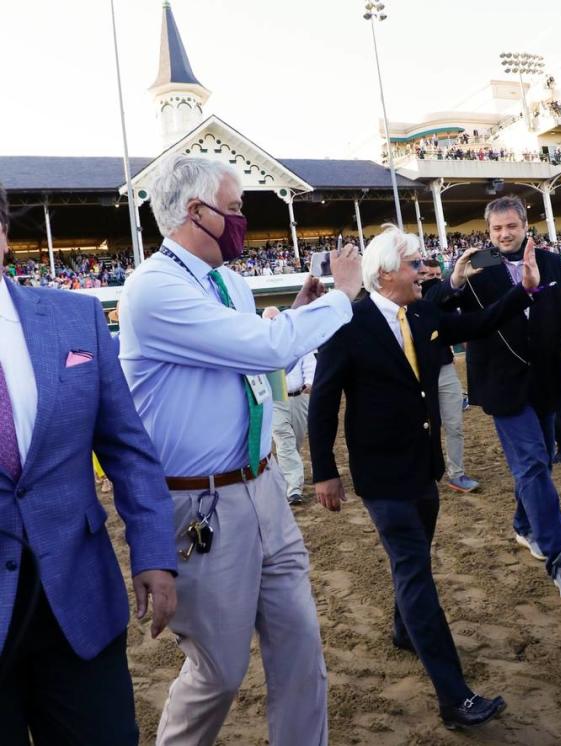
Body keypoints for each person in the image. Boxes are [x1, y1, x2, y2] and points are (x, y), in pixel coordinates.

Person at [119, 156, 362, 746]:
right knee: (220, 671)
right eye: (232, 210)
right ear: (195, 213)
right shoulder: (152, 289)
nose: (241, 221)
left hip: (264, 487)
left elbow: (247, 358)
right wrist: (343, 296)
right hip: (202, 506)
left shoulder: (226, 281)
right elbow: (267, 351)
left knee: (302, 649)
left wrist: (303, 311)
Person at [309, 225, 538, 729]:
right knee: (415, 570)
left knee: (412, 563)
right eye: (415, 265)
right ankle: (454, 698)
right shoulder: (348, 322)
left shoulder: (423, 311)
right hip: (380, 472)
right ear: (386, 273)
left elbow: (478, 324)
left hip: (423, 468)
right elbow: (323, 402)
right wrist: (324, 472)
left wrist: (524, 291)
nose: (425, 271)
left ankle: (402, 630)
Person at [0, 180, 177, 744]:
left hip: (79, 601)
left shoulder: (77, 319)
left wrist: (153, 551)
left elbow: (127, 449)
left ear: (3, 234)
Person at [426, 195, 561, 600]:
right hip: (503, 386)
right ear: (487, 232)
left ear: (526, 224)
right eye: (496, 229)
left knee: (540, 463)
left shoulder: (551, 262)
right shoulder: (477, 267)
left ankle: (525, 526)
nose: (504, 234)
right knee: (531, 466)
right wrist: (453, 282)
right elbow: (436, 310)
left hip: (547, 382)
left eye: (511, 226)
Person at [419, 258, 480, 493]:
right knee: (426, 427)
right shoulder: (412, 302)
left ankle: (456, 473)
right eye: (429, 276)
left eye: (437, 275)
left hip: (445, 369)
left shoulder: (446, 301)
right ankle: (426, 473)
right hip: (420, 375)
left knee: (454, 425)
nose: (434, 280)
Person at [262, 305, 315, 505]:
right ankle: (293, 488)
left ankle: (291, 472)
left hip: (300, 397)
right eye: (270, 320)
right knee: (284, 439)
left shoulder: (295, 340)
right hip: (275, 400)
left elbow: (308, 363)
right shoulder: (262, 345)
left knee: (296, 439)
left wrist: (310, 382)